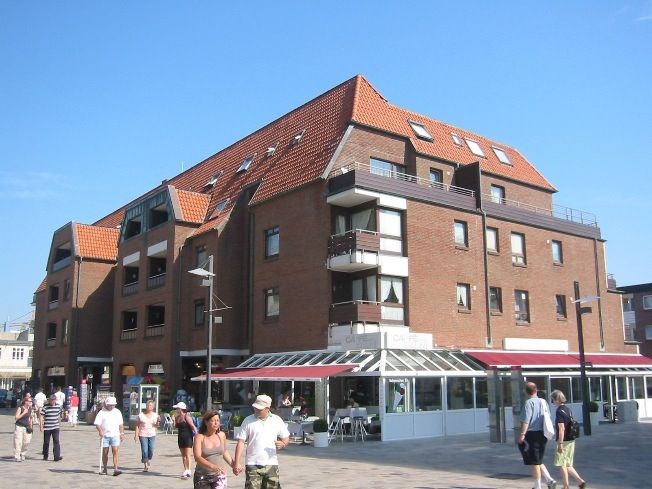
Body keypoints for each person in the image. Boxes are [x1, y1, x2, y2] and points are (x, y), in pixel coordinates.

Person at [233, 394, 290, 488]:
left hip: (271, 464)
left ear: (268, 408)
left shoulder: (277, 420)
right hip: (252, 464)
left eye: (259, 409)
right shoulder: (248, 420)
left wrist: (283, 443)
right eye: (255, 407)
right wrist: (237, 462)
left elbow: (286, 437)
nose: (256, 410)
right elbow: (241, 442)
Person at [518, 382, 557, 489]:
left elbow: (526, 421)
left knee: (535, 462)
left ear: (526, 392)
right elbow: (548, 416)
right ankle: (549, 480)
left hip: (532, 435)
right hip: (543, 434)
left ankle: (537, 486)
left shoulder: (528, 403)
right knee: (537, 459)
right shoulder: (543, 402)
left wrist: (522, 434)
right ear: (536, 390)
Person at [551, 390, 587, 489]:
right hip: (571, 440)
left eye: (553, 399)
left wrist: (560, 443)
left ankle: (565, 486)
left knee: (561, 464)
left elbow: (561, 428)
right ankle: (580, 481)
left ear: (557, 400)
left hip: (564, 441)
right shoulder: (567, 409)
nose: (552, 401)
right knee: (567, 464)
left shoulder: (559, 411)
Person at [193, 410, 236, 488]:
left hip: (219, 476)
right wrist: (213, 466)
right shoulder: (199, 437)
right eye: (212, 421)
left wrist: (234, 465)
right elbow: (197, 457)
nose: (216, 423)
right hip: (202, 477)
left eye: (217, 420)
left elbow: (224, 452)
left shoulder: (221, 435)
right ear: (206, 422)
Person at [94, 396, 125, 476]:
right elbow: (97, 423)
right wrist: (100, 431)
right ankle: (105, 468)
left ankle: (116, 468)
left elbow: (121, 424)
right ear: (107, 404)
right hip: (105, 436)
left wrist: (122, 433)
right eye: (110, 405)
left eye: (113, 405)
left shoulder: (117, 412)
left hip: (115, 434)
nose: (112, 406)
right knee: (105, 452)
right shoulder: (102, 412)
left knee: (115, 451)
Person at [173, 401, 198, 479]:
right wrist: (173, 420)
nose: (176, 410)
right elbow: (174, 427)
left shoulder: (187, 416)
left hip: (188, 437)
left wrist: (197, 435)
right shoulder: (177, 417)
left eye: (177, 408)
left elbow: (192, 426)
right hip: (180, 437)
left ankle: (189, 470)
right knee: (183, 455)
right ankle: (185, 469)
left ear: (181, 409)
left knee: (188, 455)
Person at [134, 400, 160, 472]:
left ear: (153, 407)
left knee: (151, 450)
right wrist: (136, 435)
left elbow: (156, 426)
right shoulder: (141, 415)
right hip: (143, 435)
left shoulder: (155, 415)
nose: (149, 406)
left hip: (152, 434)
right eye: (148, 405)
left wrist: (158, 421)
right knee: (144, 450)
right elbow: (137, 425)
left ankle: (148, 459)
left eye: (151, 405)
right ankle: (145, 465)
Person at [39, 394, 63, 461]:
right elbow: (41, 416)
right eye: (50, 400)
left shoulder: (58, 406)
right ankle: (45, 455)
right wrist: (41, 426)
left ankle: (56, 456)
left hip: (55, 427)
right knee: (46, 442)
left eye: (53, 400)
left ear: (55, 400)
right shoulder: (45, 407)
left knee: (56, 441)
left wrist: (59, 424)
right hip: (47, 427)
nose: (52, 401)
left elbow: (59, 415)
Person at [14, 396, 33, 461]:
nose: (31, 402)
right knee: (18, 441)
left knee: (27, 441)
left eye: (31, 401)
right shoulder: (20, 408)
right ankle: (17, 456)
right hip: (19, 426)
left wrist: (31, 426)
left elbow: (30, 418)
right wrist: (24, 413)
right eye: (29, 401)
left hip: (27, 427)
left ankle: (23, 453)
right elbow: (16, 418)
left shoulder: (30, 408)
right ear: (25, 402)